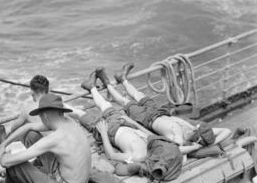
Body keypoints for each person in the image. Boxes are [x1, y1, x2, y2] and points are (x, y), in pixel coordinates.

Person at [95, 63, 232, 155]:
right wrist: (210, 142)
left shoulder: (178, 139)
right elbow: (227, 130)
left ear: (197, 137)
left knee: (125, 102)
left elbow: (179, 150)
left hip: (146, 119)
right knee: (140, 96)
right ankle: (122, 78)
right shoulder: (197, 131)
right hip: (158, 112)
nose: (194, 127)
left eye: (196, 130)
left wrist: (198, 147)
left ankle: (106, 83)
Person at [73, 71, 183, 181]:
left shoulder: (138, 157)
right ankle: (93, 87)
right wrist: (131, 121)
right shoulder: (155, 145)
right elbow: (148, 133)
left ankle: (90, 89)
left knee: (86, 116)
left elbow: (112, 155)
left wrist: (103, 134)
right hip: (123, 124)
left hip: (110, 132)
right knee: (106, 107)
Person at [0, 94, 91, 183]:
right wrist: (5, 143)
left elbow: (4, 162)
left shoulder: (55, 138)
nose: (40, 119)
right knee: (31, 135)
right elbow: (29, 127)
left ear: (44, 116)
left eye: (40, 116)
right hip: (73, 181)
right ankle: (32, 170)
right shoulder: (69, 122)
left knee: (14, 166)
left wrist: (3, 153)